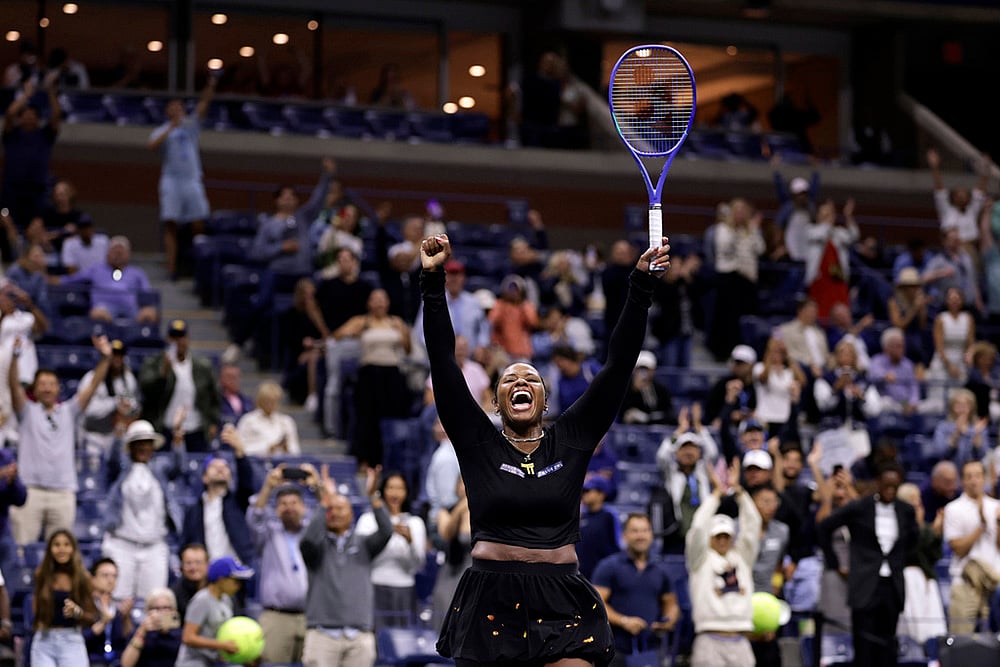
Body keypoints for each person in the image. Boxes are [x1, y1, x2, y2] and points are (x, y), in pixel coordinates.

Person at [420, 230, 671, 667]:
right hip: (491, 596)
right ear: (496, 402)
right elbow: (443, 362)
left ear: (545, 400)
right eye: (509, 379)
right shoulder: (478, 442)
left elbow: (618, 366)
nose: (520, 381)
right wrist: (432, 280)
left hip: (560, 594)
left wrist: (641, 285)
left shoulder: (570, 438)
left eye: (531, 378)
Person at [8, 335, 112, 545]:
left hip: (63, 492)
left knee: (61, 554)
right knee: (22, 548)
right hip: (30, 491)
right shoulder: (26, 411)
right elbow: (13, 386)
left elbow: (92, 386)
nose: (47, 388)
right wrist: (15, 357)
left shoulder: (69, 411)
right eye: (42, 384)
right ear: (34, 389)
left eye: (51, 384)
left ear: (58, 388)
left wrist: (106, 358)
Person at [817, 463, 918, 667]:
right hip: (864, 584)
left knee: (888, 644)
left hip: (892, 586)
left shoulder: (906, 511)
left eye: (895, 486)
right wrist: (834, 562)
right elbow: (824, 527)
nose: (890, 490)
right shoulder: (860, 507)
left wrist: (899, 561)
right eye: (887, 485)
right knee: (864, 646)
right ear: (878, 484)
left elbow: (914, 541)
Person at [299, 465, 393, 667]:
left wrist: (373, 497)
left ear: (352, 514)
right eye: (330, 509)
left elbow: (386, 531)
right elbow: (307, 542)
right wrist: (324, 502)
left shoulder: (363, 543)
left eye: (340, 508)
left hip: (359, 635)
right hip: (322, 634)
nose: (334, 513)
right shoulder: (317, 546)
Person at [685, 460, 761, 667]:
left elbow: (753, 525)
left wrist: (739, 492)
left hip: (741, 640)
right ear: (710, 538)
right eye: (717, 536)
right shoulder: (700, 560)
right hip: (709, 639)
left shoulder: (742, 558)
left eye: (726, 536)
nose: (722, 540)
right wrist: (716, 495)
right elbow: (698, 529)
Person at [102, 419, 184, 601]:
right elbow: (113, 461)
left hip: (154, 546)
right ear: (130, 446)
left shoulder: (159, 468)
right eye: (138, 442)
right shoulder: (122, 469)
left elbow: (178, 468)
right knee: (118, 599)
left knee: (154, 599)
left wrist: (178, 441)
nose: (143, 447)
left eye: (147, 443)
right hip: (122, 545)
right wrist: (118, 435)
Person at [333, 288, 413, 470]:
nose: (379, 302)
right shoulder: (362, 321)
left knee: (391, 418)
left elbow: (407, 350)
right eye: (375, 299)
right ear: (369, 303)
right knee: (367, 419)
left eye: (382, 299)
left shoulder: (396, 322)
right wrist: (353, 332)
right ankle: (365, 459)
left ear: (388, 302)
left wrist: (405, 333)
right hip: (369, 375)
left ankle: (388, 460)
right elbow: (337, 336)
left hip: (392, 375)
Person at [247, 463, 319, 664]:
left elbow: (328, 515)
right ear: (276, 509)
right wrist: (268, 487)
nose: (289, 508)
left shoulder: (312, 533)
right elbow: (255, 517)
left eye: (294, 503)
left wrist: (316, 486)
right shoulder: (268, 534)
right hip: (276, 617)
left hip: (310, 617)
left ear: (304, 507)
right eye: (283, 504)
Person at [147, 76, 216, 279]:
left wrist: (211, 84)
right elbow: (151, 146)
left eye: (179, 107)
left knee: (199, 222)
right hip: (171, 181)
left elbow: (204, 105)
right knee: (171, 223)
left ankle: (199, 266)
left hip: (192, 179)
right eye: (173, 107)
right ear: (167, 111)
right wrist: (172, 127)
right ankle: (171, 268)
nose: (177, 110)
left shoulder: (191, 125)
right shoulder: (162, 130)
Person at [592, 513, 679, 667]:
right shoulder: (609, 566)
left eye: (645, 530)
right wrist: (624, 621)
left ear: (651, 534)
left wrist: (667, 621)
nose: (641, 536)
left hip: (650, 649)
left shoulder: (661, 569)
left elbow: (671, 603)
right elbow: (597, 604)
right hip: (615, 649)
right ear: (625, 535)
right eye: (635, 531)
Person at [355, 471, 428, 630]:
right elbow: (360, 557)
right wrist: (384, 533)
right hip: (374, 585)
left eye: (400, 488)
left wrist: (410, 541)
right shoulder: (367, 520)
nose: (395, 493)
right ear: (383, 490)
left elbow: (418, 563)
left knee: (402, 638)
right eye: (391, 488)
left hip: (403, 589)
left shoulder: (415, 523)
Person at [139, 319, 220, 451]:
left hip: (195, 430)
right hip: (165, 428)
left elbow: (213, 398)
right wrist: (163, 374)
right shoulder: (154, 363)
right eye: (174, 337)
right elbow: (146, 391)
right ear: (168, 339)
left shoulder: (202, 367)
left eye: (181, 337)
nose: (178, 342)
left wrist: (212, 422)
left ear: (187, 338)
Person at [179, 427, 255, 565]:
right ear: (204, 478)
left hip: (236, 568)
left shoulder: (237, 502)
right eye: (214, 467)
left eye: (225, 467)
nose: (220, 469)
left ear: (230, 477)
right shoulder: (194, 510)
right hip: (206, 569)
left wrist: (240, 451)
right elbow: (186, 543)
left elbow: (246, 482)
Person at [942, 460, 1000, 633]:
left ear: (985, 479)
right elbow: (958, 549)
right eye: (969, 477)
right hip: (964, 582)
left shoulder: (996, 506)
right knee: (961, 640)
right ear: (962, 481)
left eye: (978, 476)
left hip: (994, 582)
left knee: (993, 640)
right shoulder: (953, 508)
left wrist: (998, 523)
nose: (974, 481)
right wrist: (981, 526)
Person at [707, 198, 765, 362]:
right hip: (728, 278)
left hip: (747, 280)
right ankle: (723, 353)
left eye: (743, 211)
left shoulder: (751, 229)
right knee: (726, 319)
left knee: (747, 319)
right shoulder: (723, 229)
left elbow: (761, 249)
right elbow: (724, 249)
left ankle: (747, 354)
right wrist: (735, 231)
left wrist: (753, 230)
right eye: (736, 211)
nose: (740, 214)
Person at [30, 529, 98, 667]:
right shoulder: (41, 574)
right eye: (57, 545)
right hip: (44, 640)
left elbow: (92, 617)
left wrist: (77, 612)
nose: (61, 549)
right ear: (50, 549)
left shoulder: (83, 578)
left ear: (73, 549)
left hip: (72, 641)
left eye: (66, 545)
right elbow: (36, 611)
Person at [174, 556, 254, 667]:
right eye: (235, 581)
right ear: (221, 580)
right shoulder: (202, 600)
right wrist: (222, 645)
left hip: (214, 662)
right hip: (193, 662)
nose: (238, 586)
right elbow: (188, 637)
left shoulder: (227, 600)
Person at [1, 78, 61, 227]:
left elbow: (56, 115)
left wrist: (50, 92)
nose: (29, 116)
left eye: (33, 114)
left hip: (37, 190)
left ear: (38, 118)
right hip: (12, 188)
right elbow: (9, 114)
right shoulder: (12, 134)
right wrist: (26, 95)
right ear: (20, 118)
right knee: (8, 223)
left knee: (35, 225)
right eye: (25, 114)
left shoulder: (45, 135)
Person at [59, 235, 157, 323]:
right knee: (98, 314)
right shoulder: (95, 269)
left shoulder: (137, 273)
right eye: (115, 252)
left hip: (131, 309)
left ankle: (138, 336)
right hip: (104, 308)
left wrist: (146, 308)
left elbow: (148, 293)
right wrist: (53, 280)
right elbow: (71, 280)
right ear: (108, 253)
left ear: (128, 254)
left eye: (121, 252)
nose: (118, 255)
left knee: (149, 313)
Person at [894, 482, 947, 644]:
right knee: (913, 632)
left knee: (934, 630)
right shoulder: (898, 528)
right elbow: (912, 551)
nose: (918, 507)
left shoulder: (925, 528)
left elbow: (935, 555)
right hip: (908, 580)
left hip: (926, 581)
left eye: (919, 502)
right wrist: (930, 531)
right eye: (913, 503)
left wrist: (937, 534)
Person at [80, 339, 140, 455]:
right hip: (93, 434)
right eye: (114, 355)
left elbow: (134, 405)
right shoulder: (91, 378)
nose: (117, 359)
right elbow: (87, 410)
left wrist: (128, 408)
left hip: (116, 434)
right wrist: (114, 403)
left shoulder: (128, 379)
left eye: (120, 355)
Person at [926, 148, 989, 255]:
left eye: (964, 195)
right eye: (958, 195)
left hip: (971, 250)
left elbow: (979, 194)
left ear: (968, 198)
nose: (961, 197)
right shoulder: (946, 210)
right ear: (953, 198)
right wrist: (934, 167)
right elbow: (940, 193)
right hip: (952, 251)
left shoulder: (972, 210)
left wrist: (985, 170)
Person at [431, 476, 472, 632]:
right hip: (451, 572)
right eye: (463, 482)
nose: (466, 486)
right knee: (444, 618)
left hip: (475, 571)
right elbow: (446, 534)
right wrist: (462, 507)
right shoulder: (446, 511)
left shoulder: (484, 511)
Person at [925, 286, 975, 409]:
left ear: (962, 300)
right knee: (939, 400)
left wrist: (969, 357)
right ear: (947, 301)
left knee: (959, 399)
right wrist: (949, 366)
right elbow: (939, 347)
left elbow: (970, 344)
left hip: (960, 363)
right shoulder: (941, 319)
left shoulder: (968, 318)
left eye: (957, 298)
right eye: (951, 299)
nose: (954, 301)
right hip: (943, 362)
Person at [83, 558, 134, 666]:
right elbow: (81, 639)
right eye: (105, 575)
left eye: (114, 576)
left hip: (116, 660)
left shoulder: (118, 607)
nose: (111, 580)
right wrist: (103, 622)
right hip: (91, 660)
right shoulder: (84, 605)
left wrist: (126, 618)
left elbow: (127, 640)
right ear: (92, 579)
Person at [752, 336, 805, 437]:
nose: (776, 355)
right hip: (765, 417)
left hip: (784, 417)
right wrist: (770, 350)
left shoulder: (788, 372)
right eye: (773, 352)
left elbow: (802, 381)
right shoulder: (759, 367)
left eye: (779, 352)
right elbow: (763, 378)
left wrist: (789, 356)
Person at [119, 587, 183, 667]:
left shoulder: (181, 634)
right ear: (148, 611)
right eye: (156, 608)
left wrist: (166, 629)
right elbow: (126, 664)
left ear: (174, 610)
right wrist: (142, 631)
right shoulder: (140, 632)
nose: (161, 612)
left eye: (166, 608)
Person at [235, 381, 301, 457]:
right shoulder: (248, 420)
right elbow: (241, 449)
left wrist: (287, 448)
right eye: (267, 401)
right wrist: (267, 448)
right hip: (256, 461)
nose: (271, 405)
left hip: (282, 461)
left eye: (274, 401)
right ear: (260, 401)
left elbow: (296, 451)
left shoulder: (287, 421)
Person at [867, 328, 922, 415]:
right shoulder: (877, 361)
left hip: (907, 405)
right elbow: (873, 376)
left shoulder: (907, 364)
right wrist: (884, 376)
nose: (902, 349)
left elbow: (913, 386)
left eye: (903, 346)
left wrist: (912, 403)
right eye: (898, 346)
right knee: (885, 403)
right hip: (890, 405)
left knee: (937, 405)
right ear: (887, 348)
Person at [576, 476, 622, 581]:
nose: (584, 494)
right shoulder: (581, 516)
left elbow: (617, 544)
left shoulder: (609, 516)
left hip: (603, 574)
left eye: (588, 491)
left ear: (601, 494)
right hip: (581, 574)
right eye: (584, 491)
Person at [932, 388, 989, 468]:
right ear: (952, 407)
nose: (962, 409)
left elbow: (983, 456)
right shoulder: (943, 427)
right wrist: (956, 434)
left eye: (966, 405)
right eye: (958, 405)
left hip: (972, 469)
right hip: (950, 468)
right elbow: (940, 454)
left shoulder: (978, 428)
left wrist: (977, 438)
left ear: (972, 407)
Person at [704, 344, 758, 429]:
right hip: (726, 428)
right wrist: (729, 403)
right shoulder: (723, 384)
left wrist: (745, 415)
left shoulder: (755, 386)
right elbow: (711, 414)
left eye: (741, 363)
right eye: (735, 362)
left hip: (750, 428)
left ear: (751, 365)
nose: (737, 366)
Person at [887, 267, 931, 367]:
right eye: (910, 286)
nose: (913, 289)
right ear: (903, 288)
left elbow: (922, 325)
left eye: (915, 286)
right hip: (901, 340)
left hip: (917, 339)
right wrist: (914, 309)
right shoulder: (894, 302)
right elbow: (898, 326)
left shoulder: (918, 301)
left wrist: (922, 309)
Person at [618, 350, 674, 426]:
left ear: (652, 371)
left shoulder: (661, 389)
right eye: (640, 369)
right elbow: (622, 412)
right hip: (634, 429)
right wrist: (635, 390)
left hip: (657, 427)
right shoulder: (626, 388)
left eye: (646, 369)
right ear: (635, 370)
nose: (643, 372)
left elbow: (668, 411)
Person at [171, 544, 208, 622]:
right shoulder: (174, 594)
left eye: (198, 562)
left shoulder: (217, 587)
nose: (193, 567)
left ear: (207, 564)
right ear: (181, 566)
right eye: (188, 563)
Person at [217, 363, 253, 428]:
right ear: (221, 379)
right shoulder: (215, 402)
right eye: (230, 377)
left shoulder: (248, 401)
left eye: (236, 377)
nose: (234, 380)